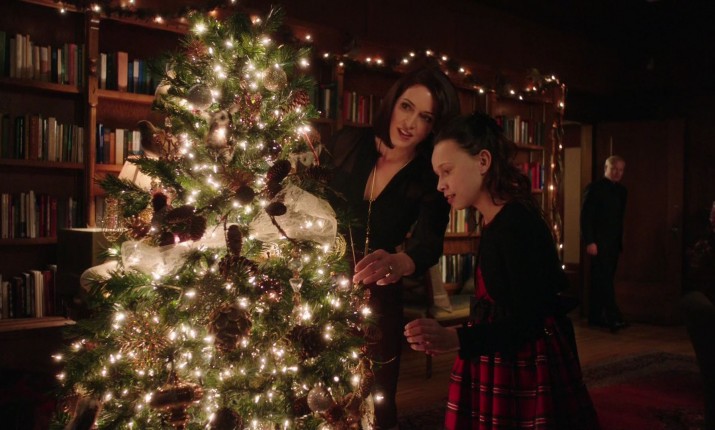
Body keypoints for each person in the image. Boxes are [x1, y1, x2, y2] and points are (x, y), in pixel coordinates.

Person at [404, 113, 600, 429]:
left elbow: (529, 322)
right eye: (438, 175)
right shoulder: (498, 220)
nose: (440, 185)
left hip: (523, 368)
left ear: (483, 161)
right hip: (498, 356)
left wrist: (453, 337)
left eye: (447, 171)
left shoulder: (515, 226)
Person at [322, 66, 460, 429]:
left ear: (434, 127)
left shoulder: (429, 174)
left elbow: (429, 243)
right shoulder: (348, 141)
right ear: (393, 102)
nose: (410, 123)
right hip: (319, 281)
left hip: (379, 291)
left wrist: (401, 261)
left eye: (426, 117)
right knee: (316, 391)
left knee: (376, 396)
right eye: (406, 107)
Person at [581, 155, 628, 332]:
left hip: (613, 242)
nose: (617, 173)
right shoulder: (595, 188)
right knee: (604, 279)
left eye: (621, 170)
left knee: (604, 279)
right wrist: (590, 241)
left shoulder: (622, 191)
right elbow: (586, 216)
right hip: (598, 243)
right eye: (614, 169)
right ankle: (613, 316)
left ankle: (596, 316)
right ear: (606, 168)